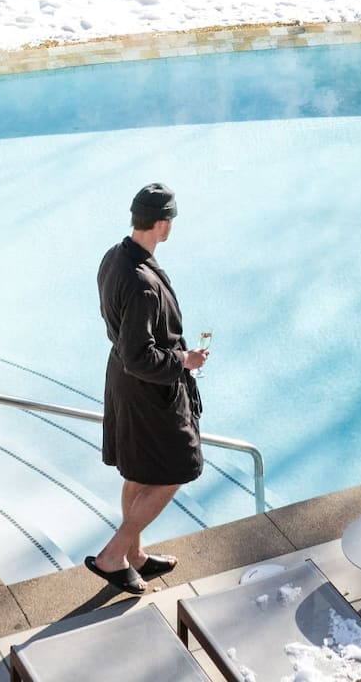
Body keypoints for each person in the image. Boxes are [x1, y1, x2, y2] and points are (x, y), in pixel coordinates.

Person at [85, 182, 209, 595]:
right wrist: (184, 361)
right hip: (148, 392)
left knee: (138, 472)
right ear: (161, 224)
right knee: (178, 469)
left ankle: (134, 556)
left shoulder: (115, 257)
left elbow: (127, 342)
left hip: (123, 381)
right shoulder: (142, 283)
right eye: (170, 219)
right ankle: (113, 555)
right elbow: (141, 356)